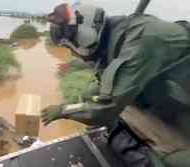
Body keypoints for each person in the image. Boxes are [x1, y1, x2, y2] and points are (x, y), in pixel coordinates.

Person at [42, 3, 190, 167]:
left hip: (181, 102)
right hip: (171, 96)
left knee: (172, 160)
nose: (71, 52)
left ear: (85, 37)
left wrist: (64, 110)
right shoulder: (118, 34)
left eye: (69, 46)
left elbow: (108, 107)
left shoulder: (140, 42)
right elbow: (108, 85)